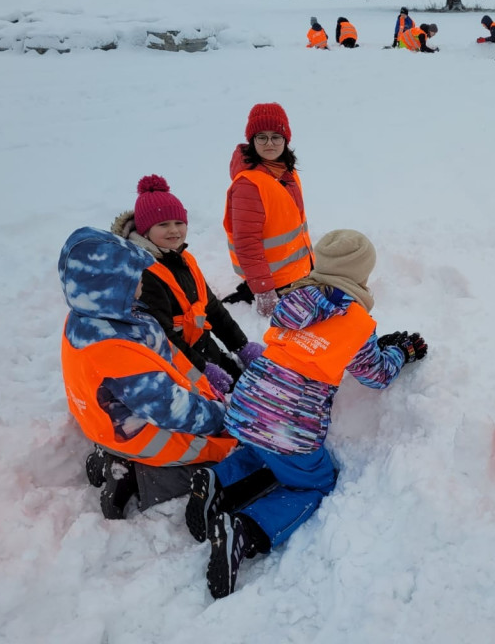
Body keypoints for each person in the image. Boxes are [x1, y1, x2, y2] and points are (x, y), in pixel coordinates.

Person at [184, 230, 429, 598]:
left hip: (250, 399)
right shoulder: (357, 321)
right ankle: (246, 530)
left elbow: (313, 342)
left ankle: (217, 479)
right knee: (313, 481)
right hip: (291, 422)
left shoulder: (295, 301)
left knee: (261, 448)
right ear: (360, 274)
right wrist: (400, 352)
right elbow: (376, 375)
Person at [58, 227, 237, 520]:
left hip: (110, 421)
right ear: (112, 285)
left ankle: (116, 459)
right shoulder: (112, 350)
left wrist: (205, 381)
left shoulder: (97, 315)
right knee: (224, 451)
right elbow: (171, 410)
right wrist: (224, 418)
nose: (144, 280)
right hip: (139, 434)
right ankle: (146, 479)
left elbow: (167, 355)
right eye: (136, 277)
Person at [111, 174, 266, 399]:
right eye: (163, 224)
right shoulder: (145, 275)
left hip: (203, 350)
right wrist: (200, 371)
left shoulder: (183, 259)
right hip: (176, 367)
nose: (174, 230)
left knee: (246, 386)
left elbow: (211, 308)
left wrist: (241, 346)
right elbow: (161, 338)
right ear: (145, 231)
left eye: (179, 223)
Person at [224, 102, 315, 318]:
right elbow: (247, 244)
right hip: (276, 285)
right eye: (261, 137)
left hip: (298, 276)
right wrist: (264, 290)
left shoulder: (285, 173)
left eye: (276, 136)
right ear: (252, 141)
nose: (269, 143)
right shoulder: (249, 185)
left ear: (286, 139)